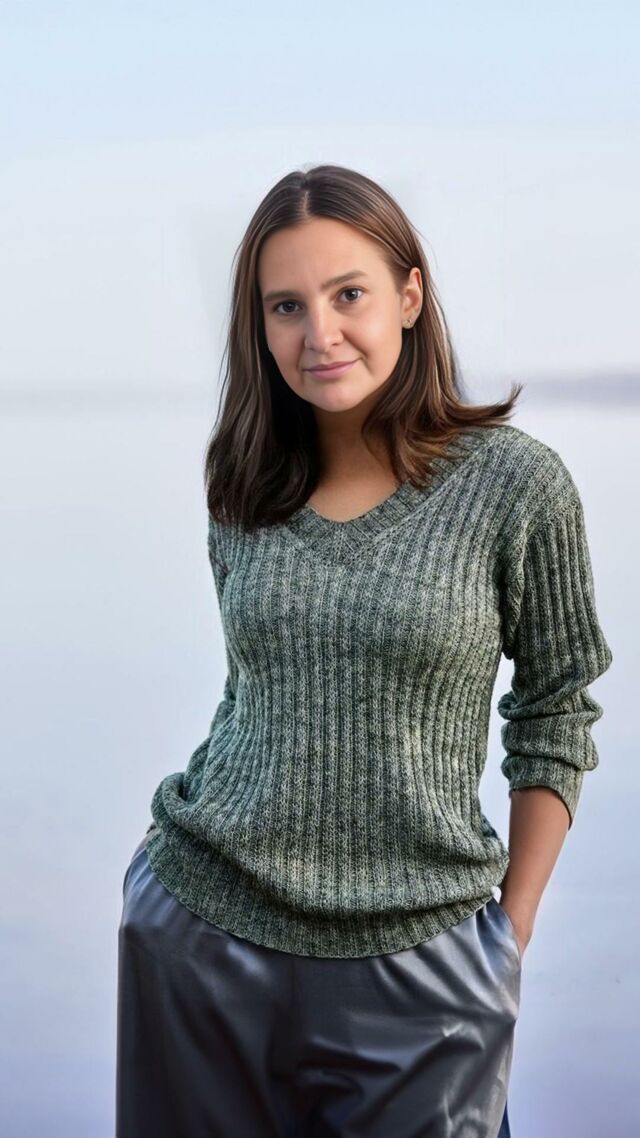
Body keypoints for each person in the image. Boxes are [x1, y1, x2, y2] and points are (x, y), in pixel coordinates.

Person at [116, 164, 613, 1138]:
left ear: (409, 297)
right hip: (204, 937)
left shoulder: (515, 487)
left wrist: (507, 934)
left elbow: (556, 710)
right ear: (259, 327)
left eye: (349, 294)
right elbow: (254, 694)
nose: (320, 333)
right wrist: (156, 904)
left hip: (422, 966)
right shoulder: (244, 482)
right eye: (286, 306)